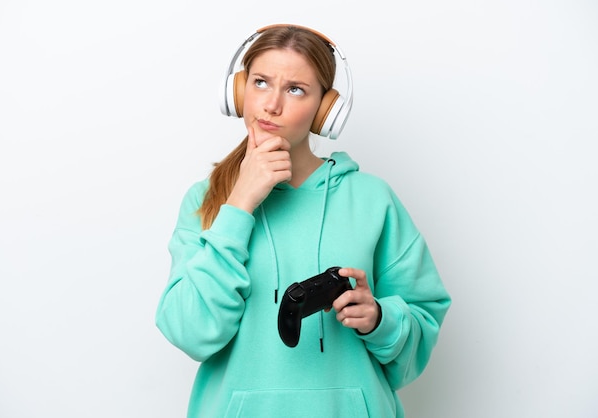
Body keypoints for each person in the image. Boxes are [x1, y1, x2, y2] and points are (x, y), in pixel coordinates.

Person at [155, 23, 451, 418]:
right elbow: (189, 331)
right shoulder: (207, 199)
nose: (271, 105)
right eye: (260, 82)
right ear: (239, 90)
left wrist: (380, 318)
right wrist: (240, 203)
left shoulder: (371, 199)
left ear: (325, 109)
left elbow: (422, 321)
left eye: (295, 89)